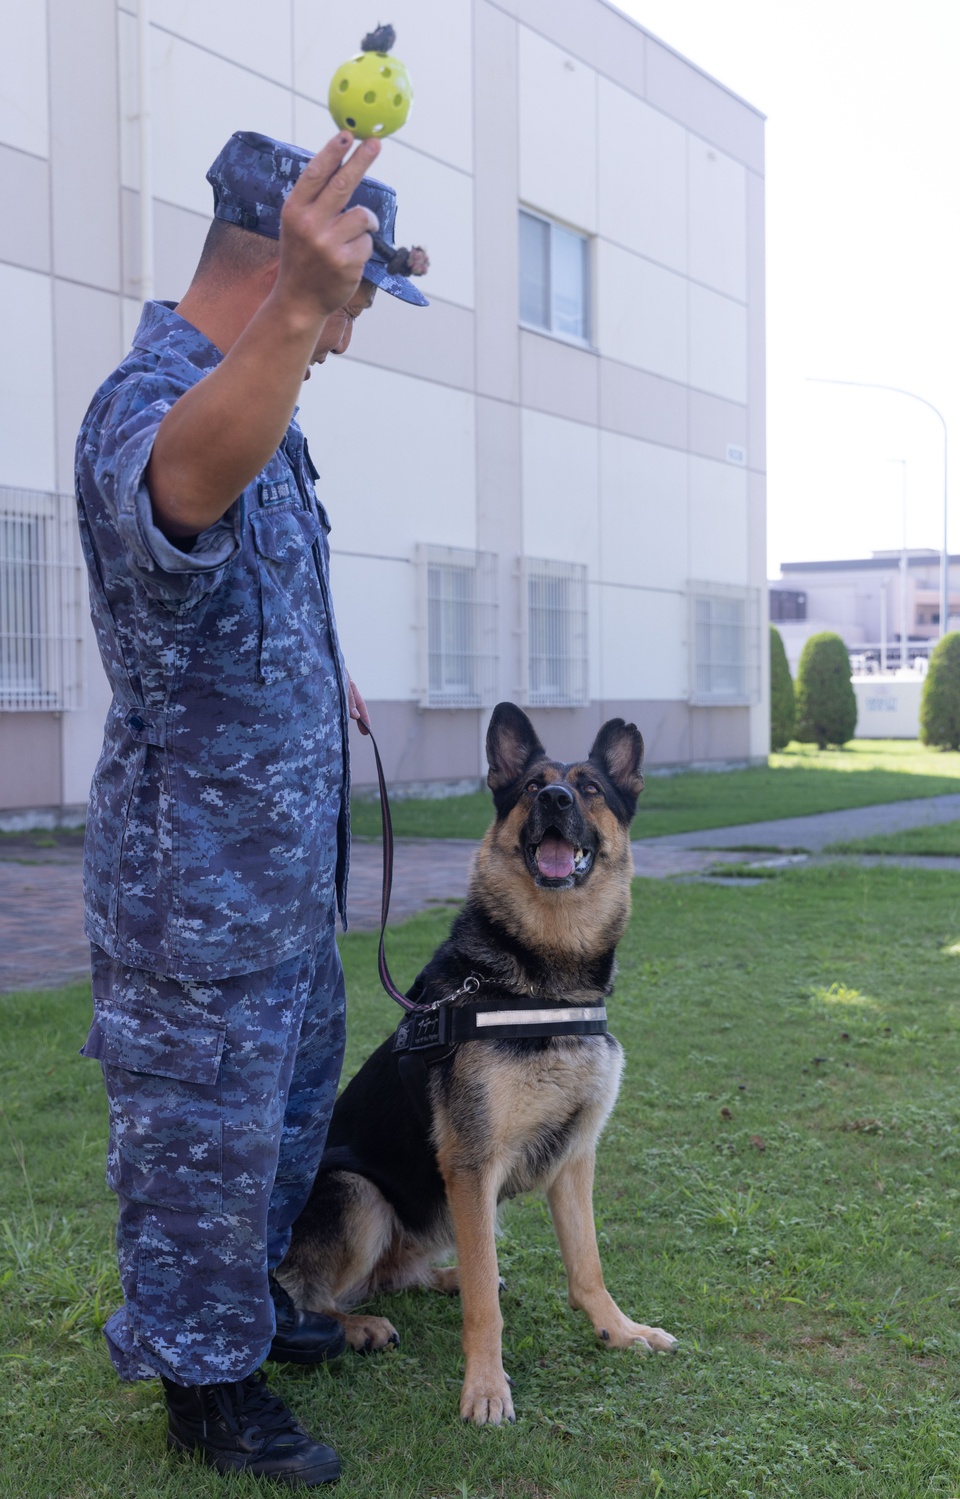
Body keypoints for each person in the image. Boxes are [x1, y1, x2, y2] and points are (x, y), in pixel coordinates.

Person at [74, 129, 428, 1487]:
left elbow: (230, 596)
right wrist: (293, 308)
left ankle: (257, 1317)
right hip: (194, 894)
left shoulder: (270, 412)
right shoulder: (158, 394)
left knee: (279, 1125)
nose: (351, 333)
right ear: (292, 273)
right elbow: (179, 487)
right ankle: (204, 1394)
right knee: (198, 1149)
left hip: (283, 886)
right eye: (354, 302)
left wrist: (317, 684)